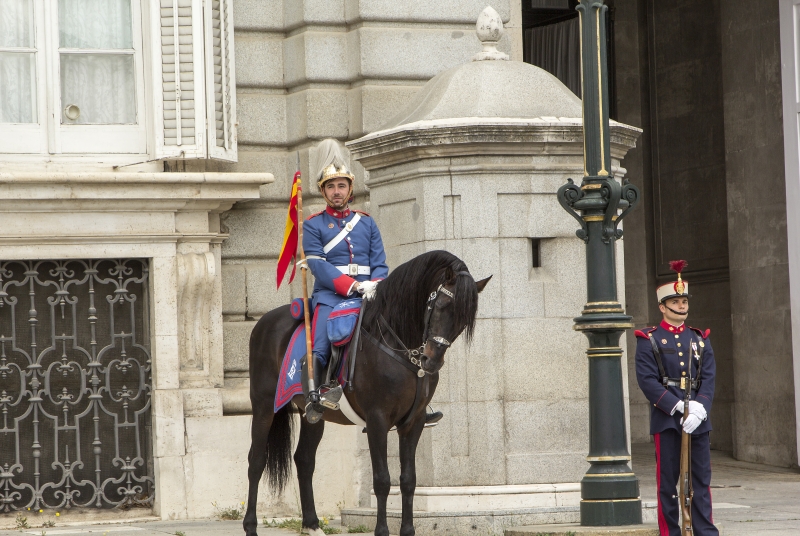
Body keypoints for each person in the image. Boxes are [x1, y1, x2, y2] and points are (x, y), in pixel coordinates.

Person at [302, 139, 443, 426]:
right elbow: (317, 265)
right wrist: (351, 286)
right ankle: (319, 393)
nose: (337, 191)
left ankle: (419, 400)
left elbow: (379, 261)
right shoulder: (313, 224)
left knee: (403, 331)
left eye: (341, 185)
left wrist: (377, 285)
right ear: (323, 191)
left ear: (350, 189)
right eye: (331, 187)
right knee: (321, 338)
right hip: (332, 295)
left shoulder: (366, 222)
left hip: (371, 291)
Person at [635, 260, 718, 536]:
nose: (682, 305)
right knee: (668, 485)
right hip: (667, 419)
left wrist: (699, 409)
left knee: (700, 483)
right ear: (663, 307)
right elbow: (647, 381)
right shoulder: (649, 340)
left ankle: (705, 532)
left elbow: (708, 378)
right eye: (676, 301)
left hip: (697, 419)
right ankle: (670, 533)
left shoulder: (700, 339)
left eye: (684, 301)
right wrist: (678, 406)